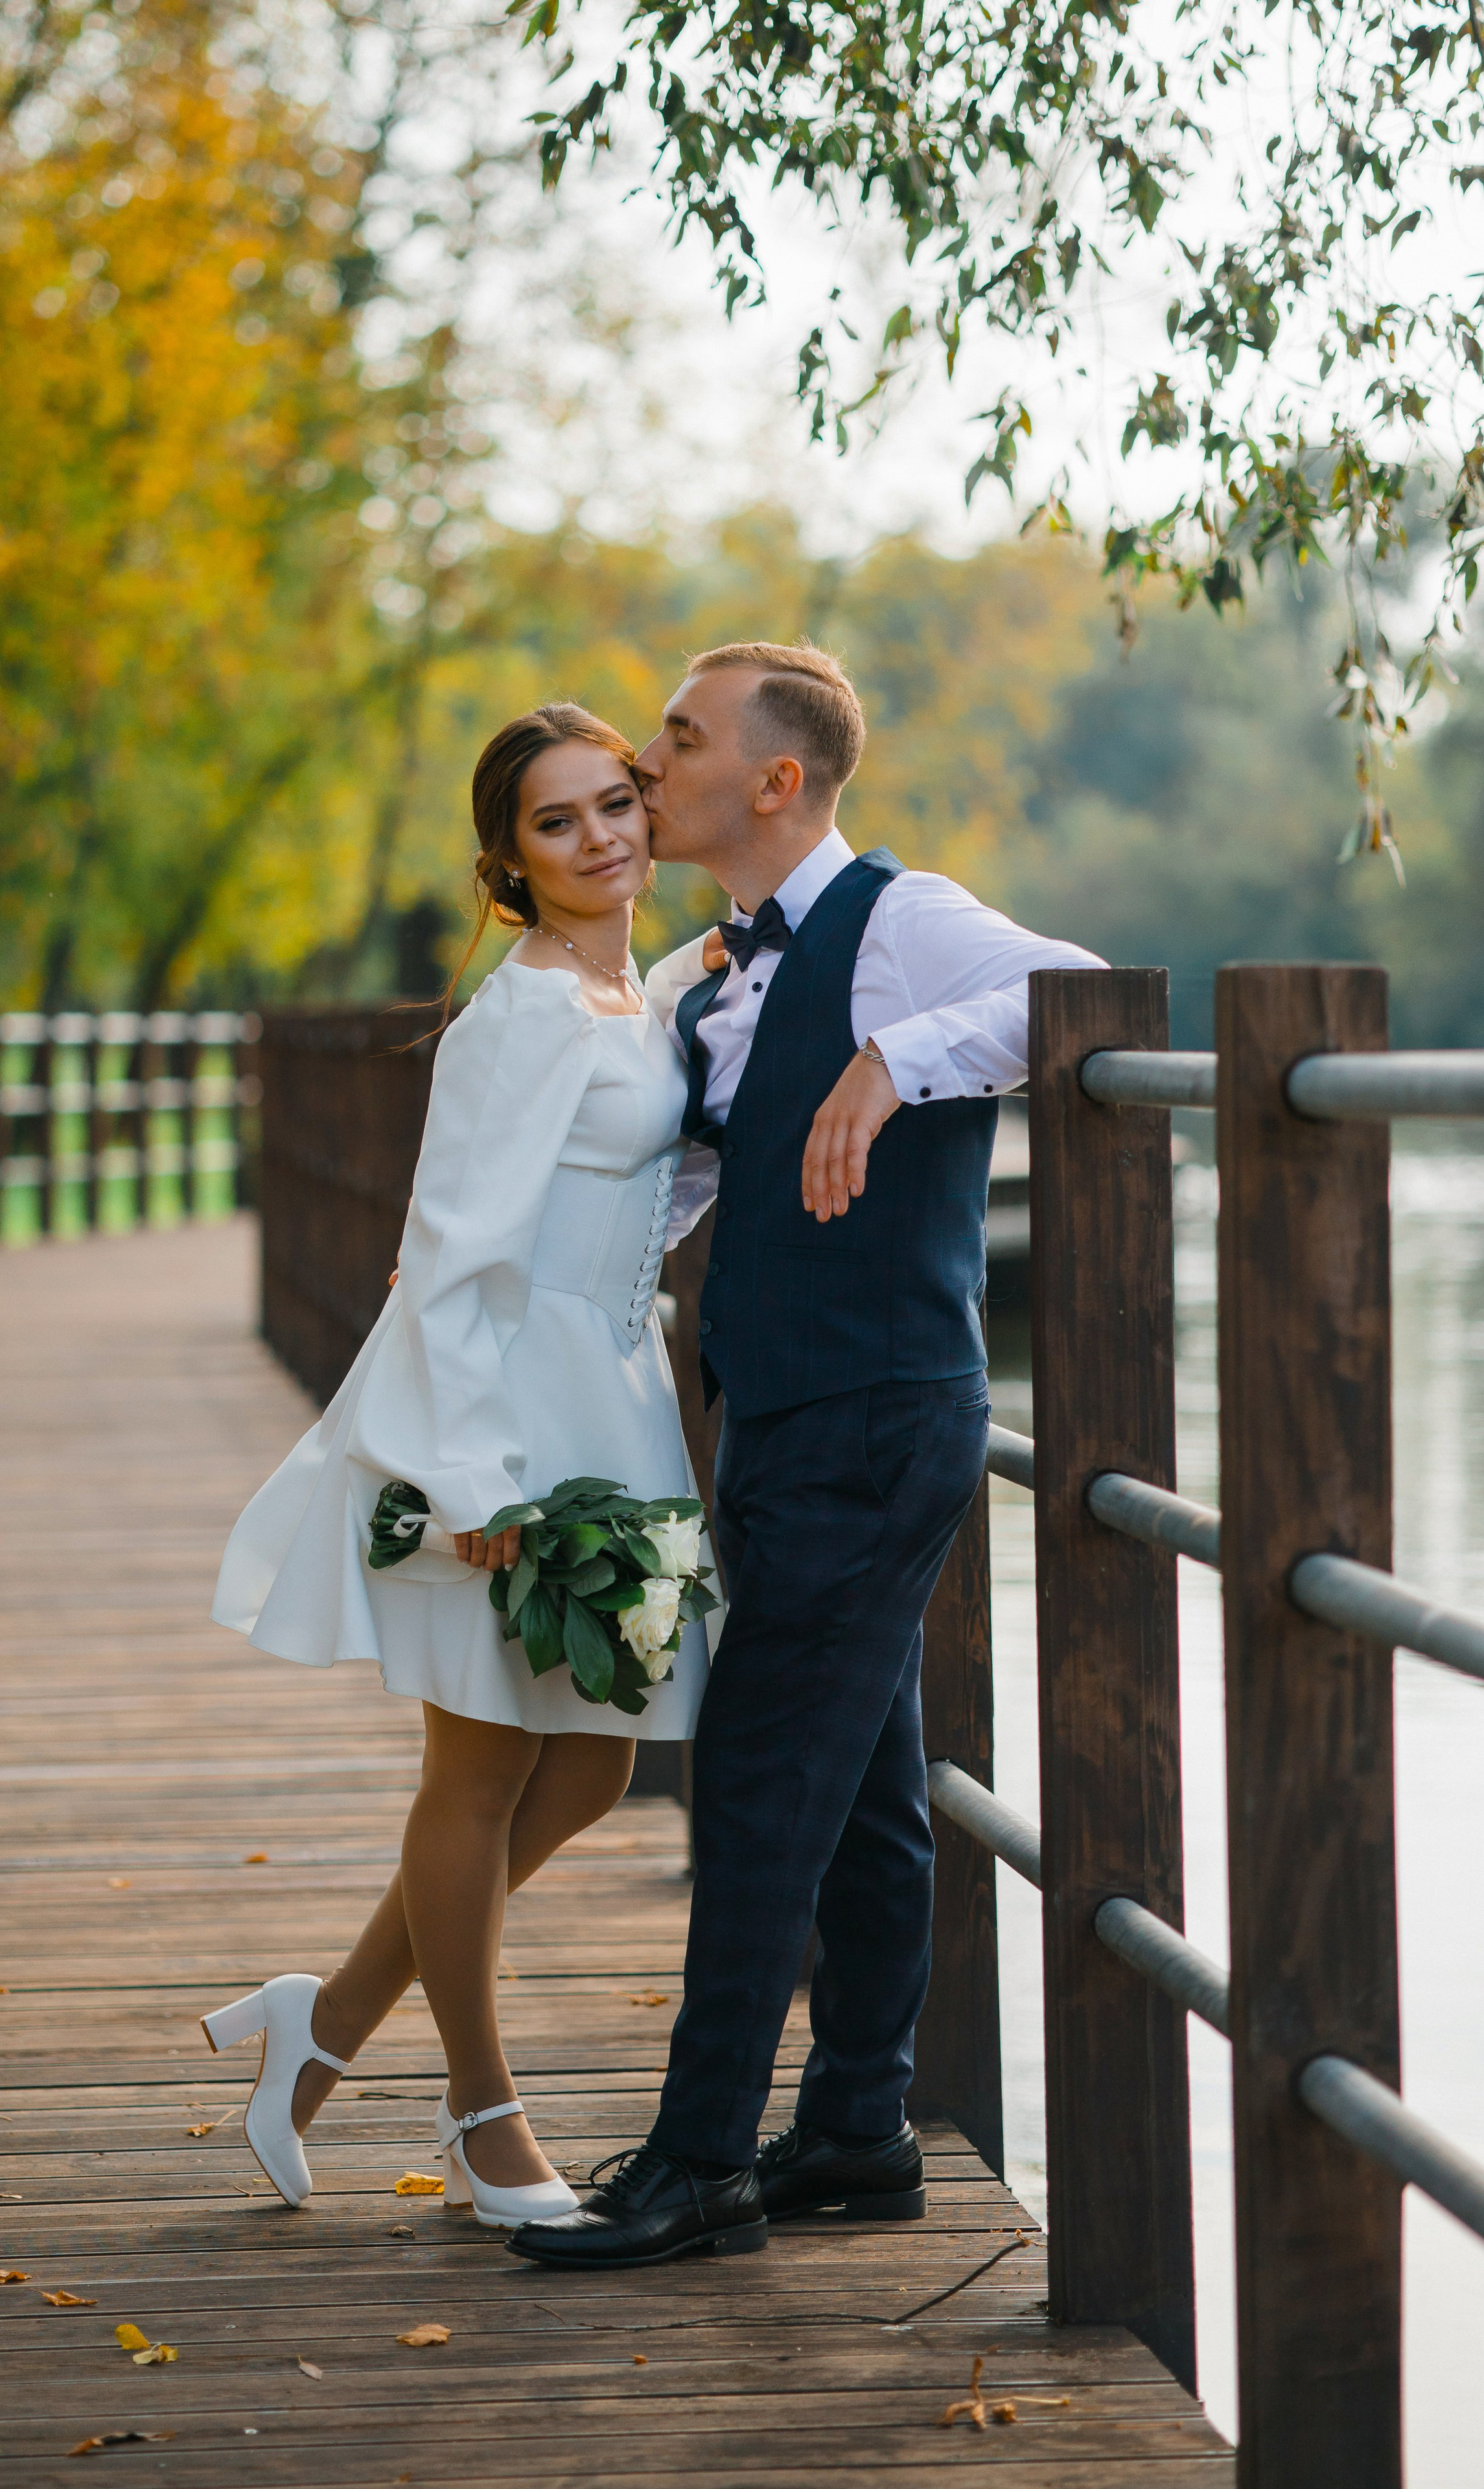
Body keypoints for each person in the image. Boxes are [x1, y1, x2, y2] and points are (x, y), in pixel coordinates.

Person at [509, 641, 1104, 2270]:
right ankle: (853, 2127)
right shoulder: (719, 980)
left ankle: (698, 2161)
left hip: (875, 1416)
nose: (647, 756)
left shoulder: (900, 925)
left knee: (762, 1780)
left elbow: (1081, 987)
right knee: (859, 1798)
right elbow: (695, 1195)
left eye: (680, 737)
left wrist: (893, 1058)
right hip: (777, 1419)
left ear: (776, 780)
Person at [205, 703, 715, 2230]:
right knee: (482, 1764)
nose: (600, 838)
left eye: (616, 803)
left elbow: (637, 1193)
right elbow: (450, 1249)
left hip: (616, 1399)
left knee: (602, 1756)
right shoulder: (523, 1012)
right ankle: (483, 2121)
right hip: (503, 1413)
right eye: (556, 824)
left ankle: (330, 2019)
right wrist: (476, 1483)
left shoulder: (633, 991)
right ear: (509, 861)